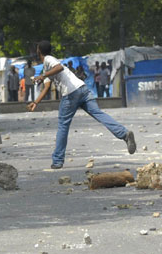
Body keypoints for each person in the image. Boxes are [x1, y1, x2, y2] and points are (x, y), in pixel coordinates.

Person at [27, 41, 136, 169]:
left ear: (39, 51)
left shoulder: (49, 59)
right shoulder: (47, 66)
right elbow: (46, 87)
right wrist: (35, 102)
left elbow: (59, 68)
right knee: (99, 114)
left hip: (71, 94)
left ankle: (57, 160)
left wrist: (42, 75)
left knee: (63, 125)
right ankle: (124, 134)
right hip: (83, 89)